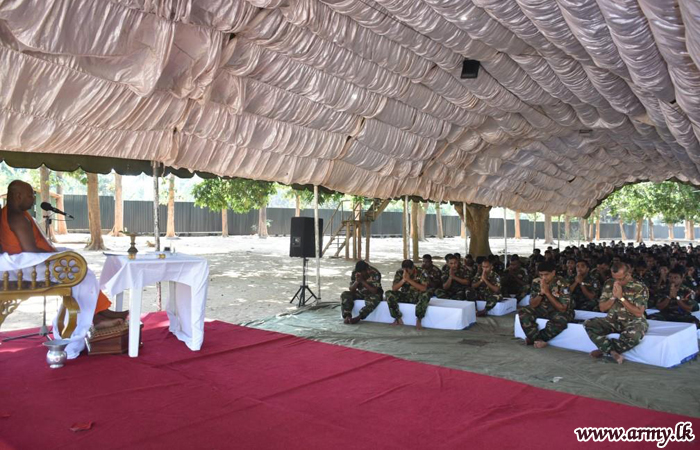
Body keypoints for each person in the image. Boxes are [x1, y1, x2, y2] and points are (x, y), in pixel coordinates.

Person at [0, 180, 127, 329]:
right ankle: (97, 316)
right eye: (30, 196)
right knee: (81, 273)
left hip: (25, 265)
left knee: (79, 267)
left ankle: (99, 312)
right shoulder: (17, 218)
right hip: (28, 268)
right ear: (18, 196)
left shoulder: (11, 213)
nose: (33, 199)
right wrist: (56, 256)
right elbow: (31, 251)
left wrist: (57, 253)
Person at [584, 262, 648, 364]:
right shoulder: (609, 283)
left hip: (633, 320)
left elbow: (639, 313)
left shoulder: (639, 287)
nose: (617, 282)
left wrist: (621, 297)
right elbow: (602, 308)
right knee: (589, 324)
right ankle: (611, 351)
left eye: (620, 279)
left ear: (628, 274)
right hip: (613, 320)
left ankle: (605, 349)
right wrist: (613, 297)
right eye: (615, 278)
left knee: (635, 334)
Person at [518, 261, 573, 348]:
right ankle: (535, 339)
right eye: (541, 275)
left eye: (546, 274)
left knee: (561, 319)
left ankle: (539, 339)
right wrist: (541, 293)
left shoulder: (563, 283)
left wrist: (547, 293)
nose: (543, 277)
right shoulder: (536, 282)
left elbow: (562, 308)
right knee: (523, 311)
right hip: (543, 308)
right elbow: (532, 304)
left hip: (559, 310)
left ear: (553, 272)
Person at [385, 259, 431, 329]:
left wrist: (409, 280)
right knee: (388, 293)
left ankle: (419, 319)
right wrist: (403, 280)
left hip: (417, 297)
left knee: (426, 294)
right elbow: (394, 288)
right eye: (404, 270)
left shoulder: (422, 272)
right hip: (405, 295)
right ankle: (397, 318)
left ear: (413, 268)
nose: (406, 272)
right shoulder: (400, 272)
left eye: (408, 271)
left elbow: (424, 288)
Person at [340, 260, 383, 324]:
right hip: (361, 293)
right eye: (358, 272)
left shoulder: (375, 273)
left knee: (375, 299)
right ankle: (347, 316)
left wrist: (362, 281)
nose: (360, 274)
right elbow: (351, 289)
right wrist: (356, 281)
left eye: (361, 272)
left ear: (366, 270)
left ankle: (359, 317)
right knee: (345, 294)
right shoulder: (355, 272)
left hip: (373, 294)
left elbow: (374, 291)